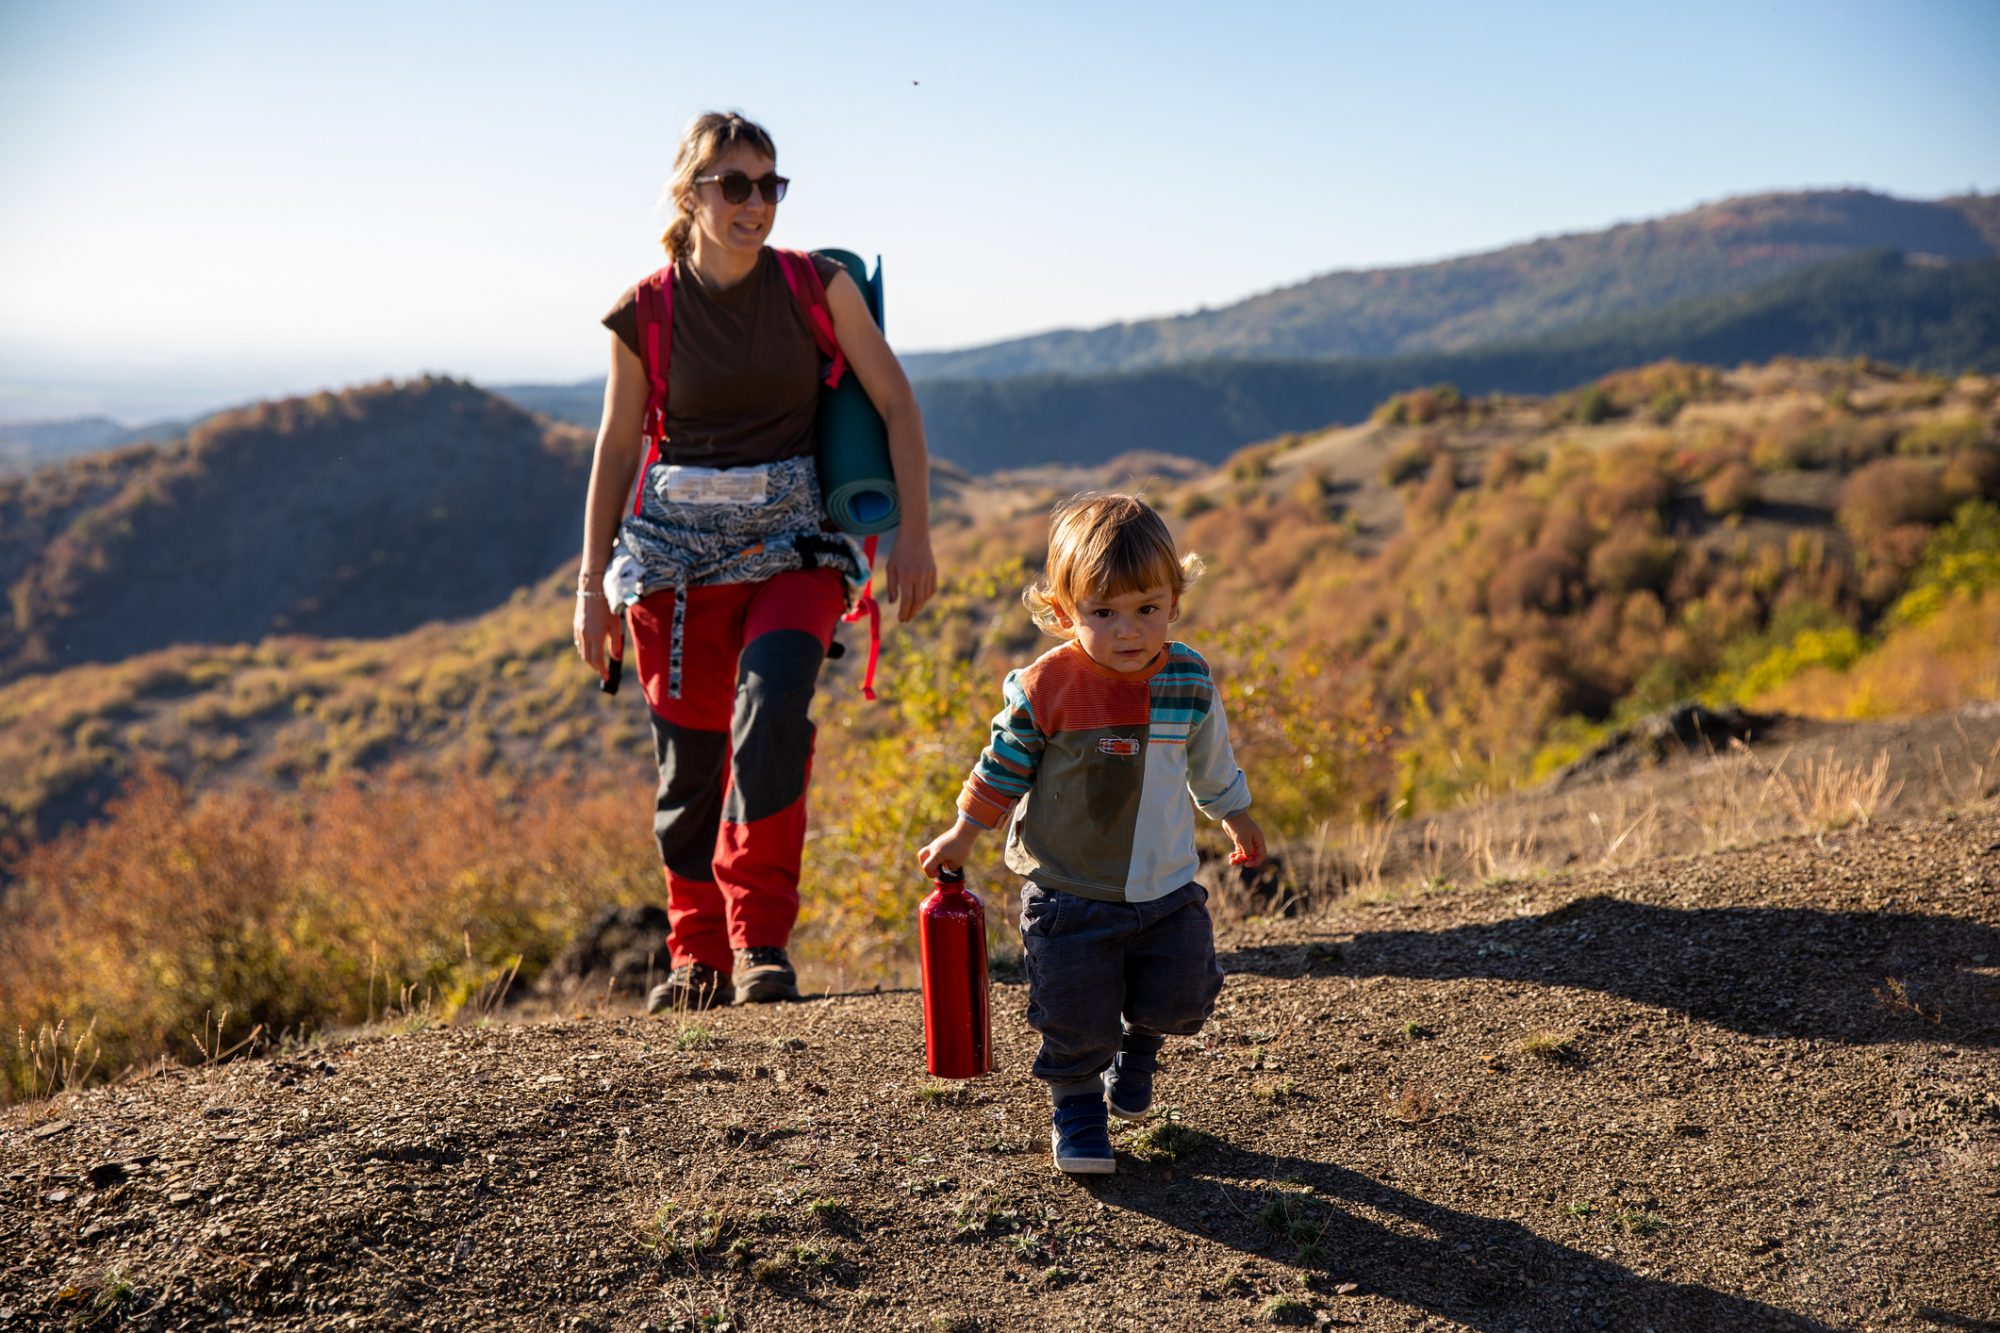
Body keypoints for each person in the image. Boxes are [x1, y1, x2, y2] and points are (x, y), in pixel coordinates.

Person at [574, 111, 937, 1012]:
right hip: (673, 562)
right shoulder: (645, 311)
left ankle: (760, 942)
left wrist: (917, 534)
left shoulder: (817, 286)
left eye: (769, 185)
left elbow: (896, 403)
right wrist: (591, 588)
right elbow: (617, 452)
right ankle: (696, 955)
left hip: (798, 548)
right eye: (733, 185)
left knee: (772, 703)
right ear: (690, 194)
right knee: (690, 763)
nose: (755, 203)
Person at [916, 493, 1265, 1174]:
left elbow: (1211, 759)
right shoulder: (1049, 683)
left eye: (1146, 608)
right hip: (1068, 888)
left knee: (1183, 994)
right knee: (1076, 1014)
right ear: (1063, 612)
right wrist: (963, 832)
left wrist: (1237, 813)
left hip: (1166, 883)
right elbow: (1002, 766)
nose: (1128, 630)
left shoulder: (1187, 678)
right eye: (1102, 612)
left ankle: (1139, 1046)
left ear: (1174, 602)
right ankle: (1077, 1110)